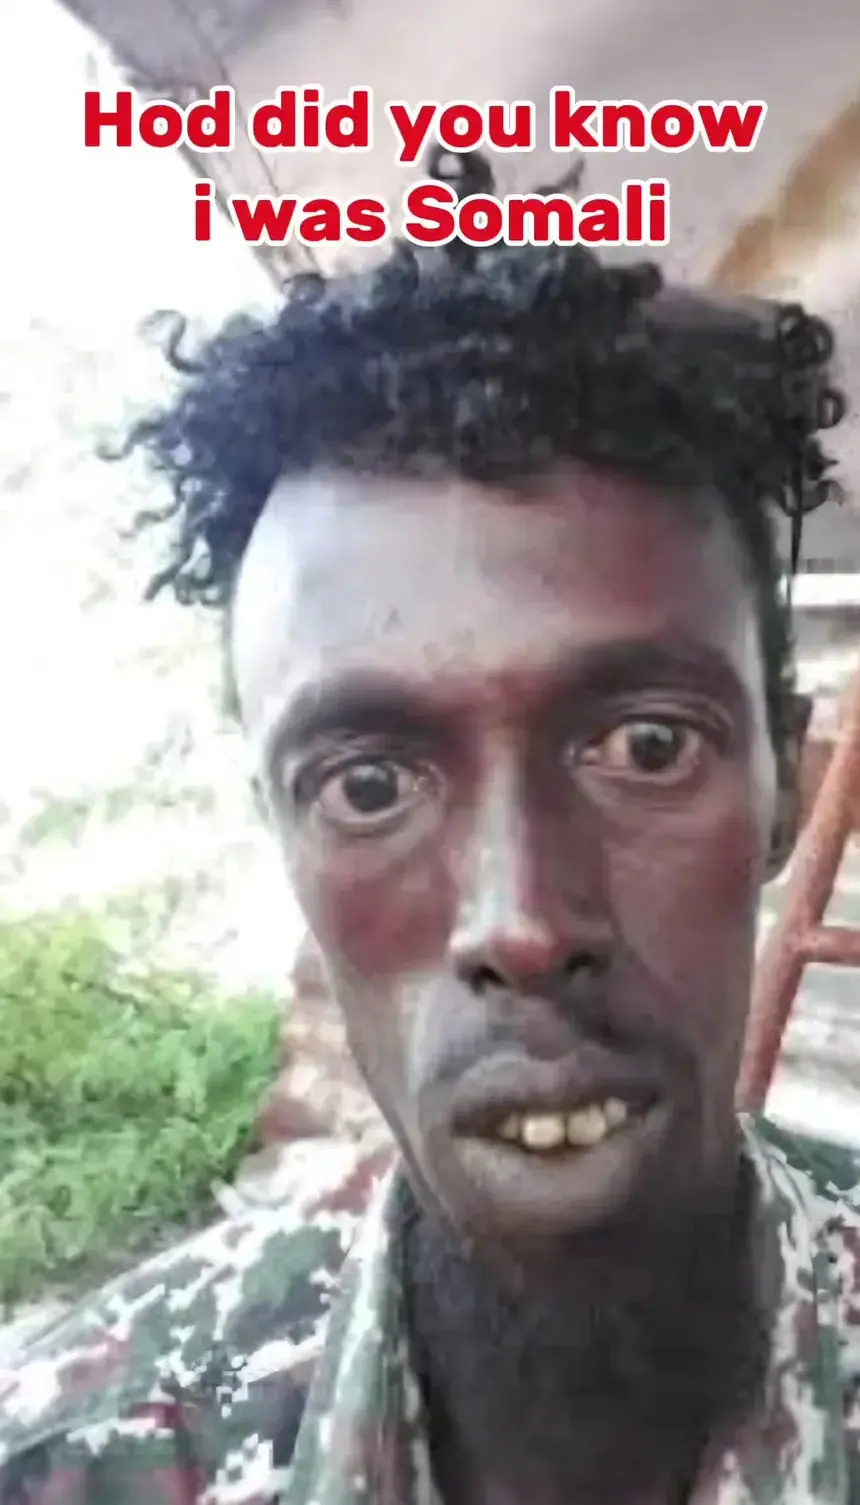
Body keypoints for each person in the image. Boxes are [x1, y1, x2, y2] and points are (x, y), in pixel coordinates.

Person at [1, 149, 858, 1505]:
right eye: (368, 786)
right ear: (286, 840)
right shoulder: (76, 1458)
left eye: (646, 747)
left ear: (784, 794)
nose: (522, 922)